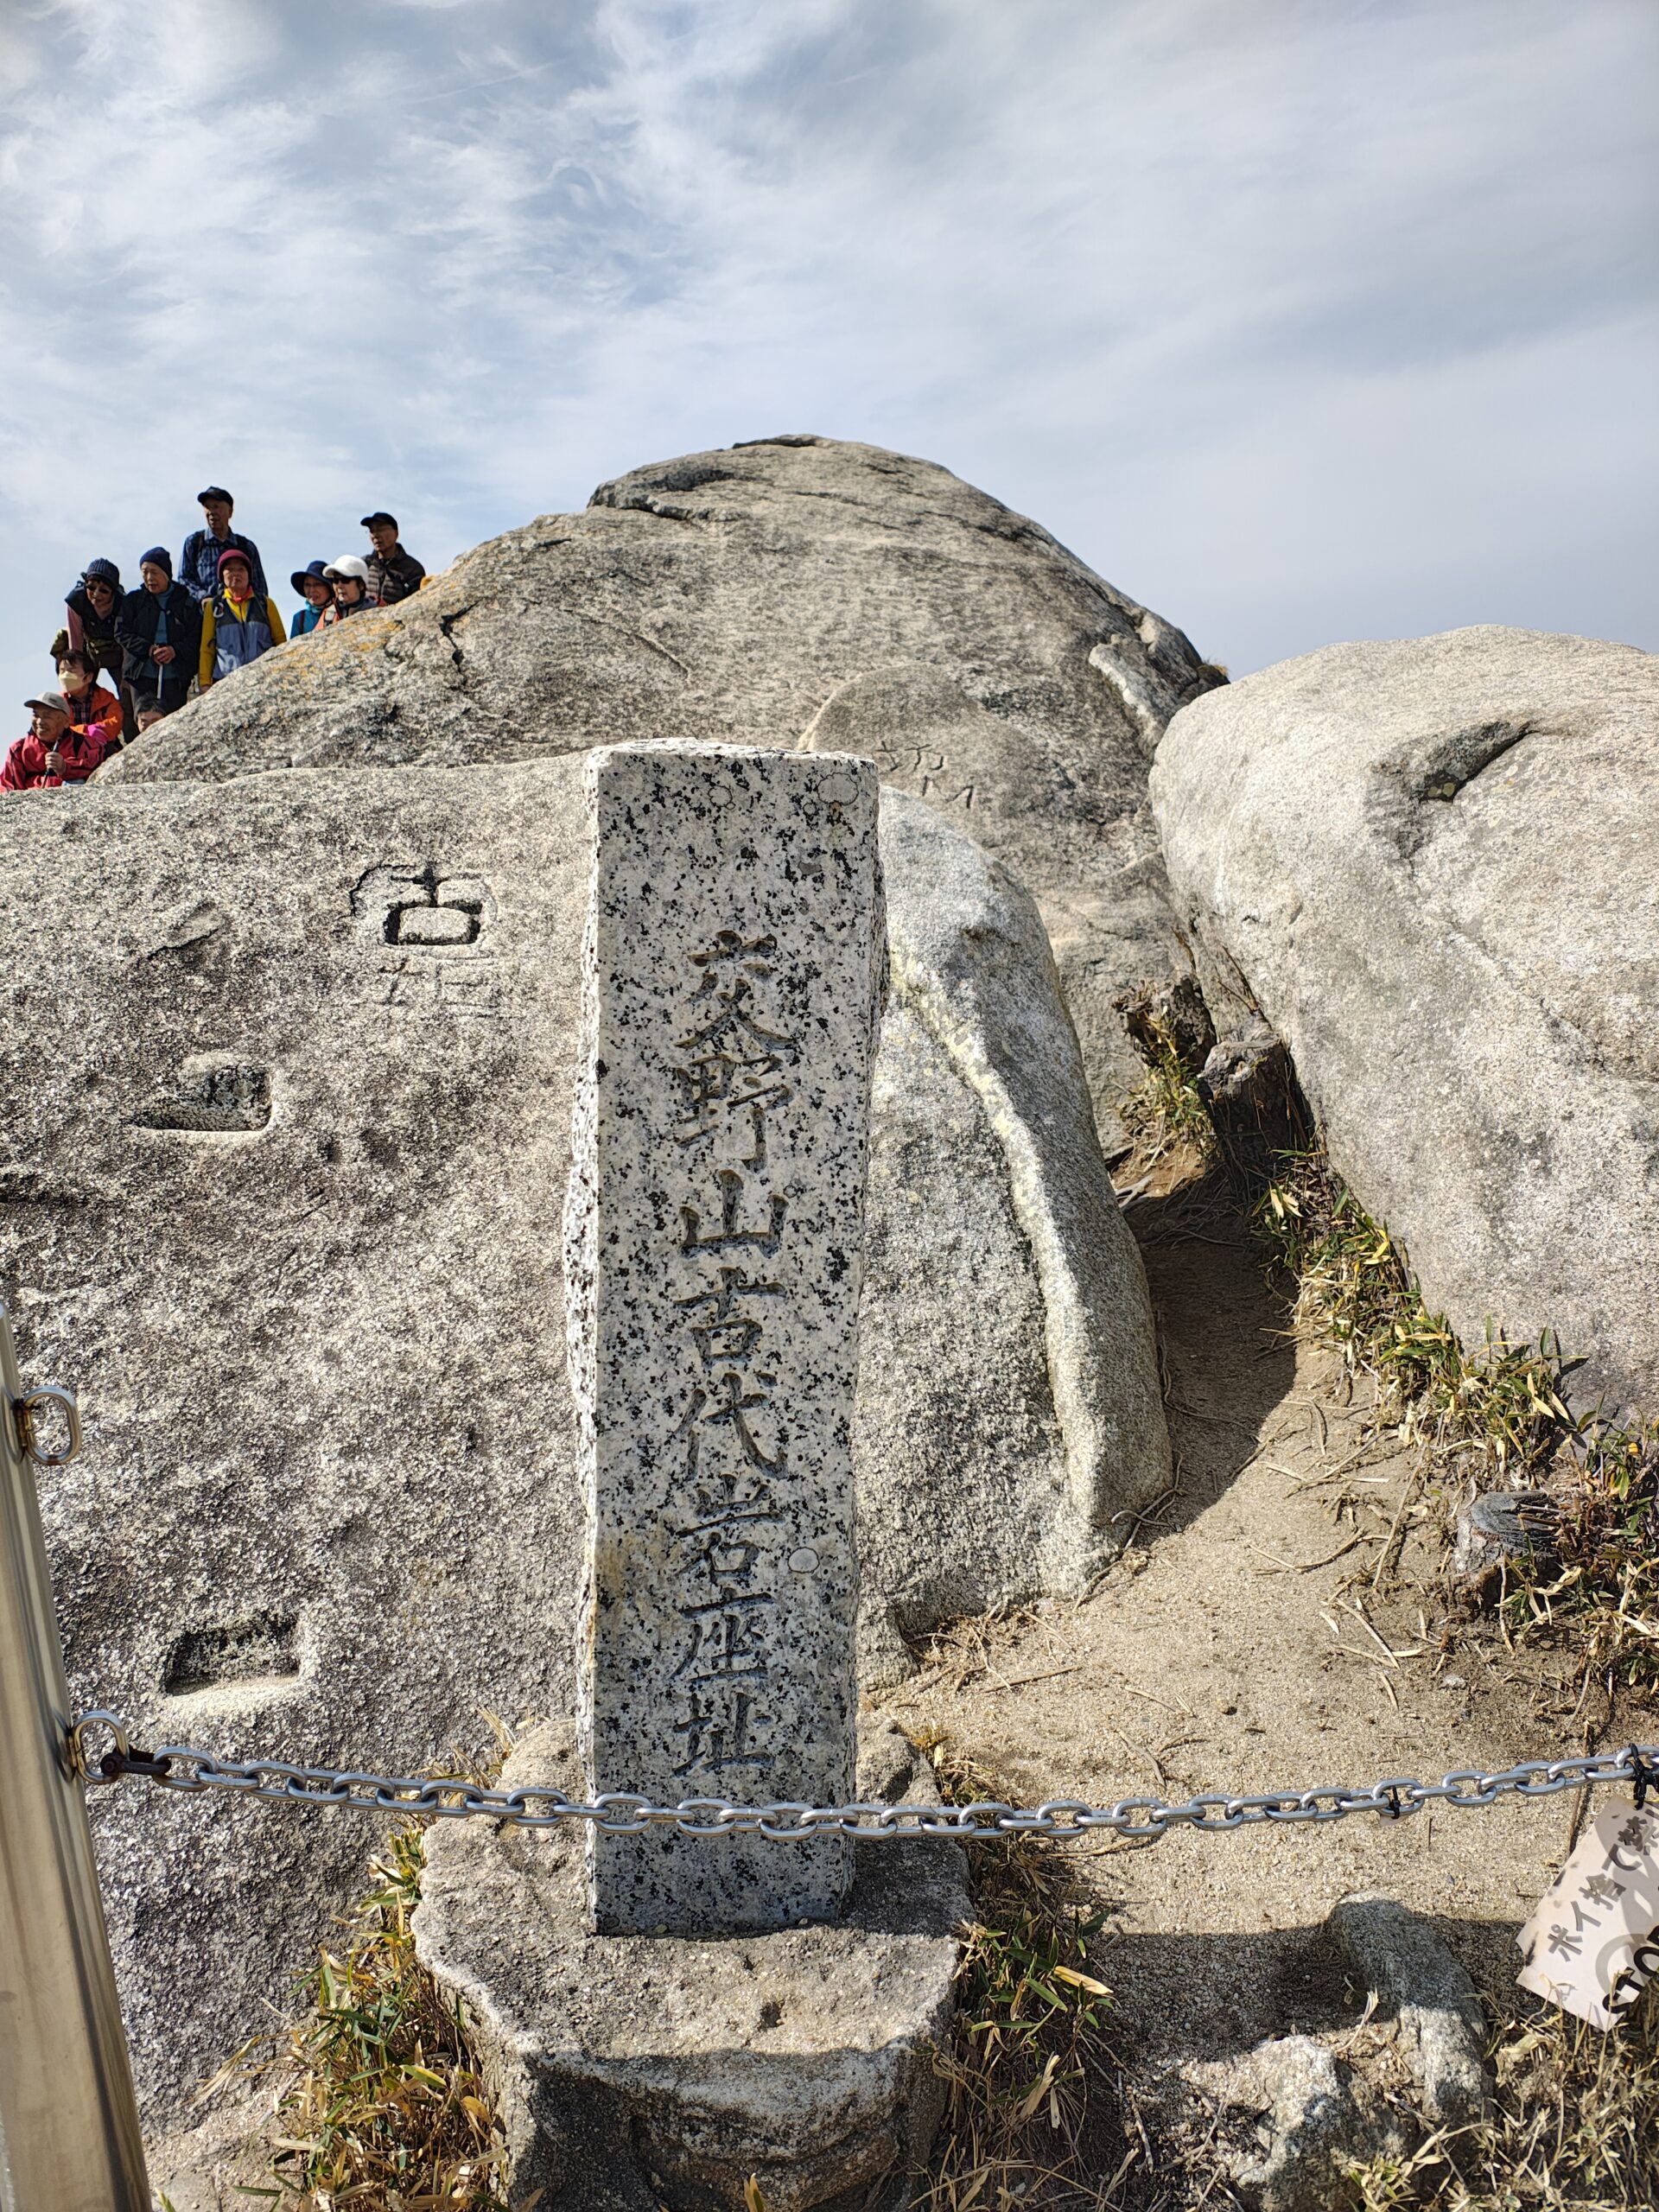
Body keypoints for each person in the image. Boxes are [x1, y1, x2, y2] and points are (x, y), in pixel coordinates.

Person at [117, 547, 202, 718]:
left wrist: (174, 650)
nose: (149, 578)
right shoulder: (134, 601)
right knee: (142, 722)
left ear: (167, 573)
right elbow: (121, 632)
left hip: (174, 676)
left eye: (154, 572)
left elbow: (195, 637)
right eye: (145, 572)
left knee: (173, 721)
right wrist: (149, 649)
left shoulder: (187, 602)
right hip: (140, 674)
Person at [198, 549, 286, 689]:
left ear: (249, 574)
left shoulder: (265, 604)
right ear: (222, 575)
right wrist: (204, 683)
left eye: (241, 569)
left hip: (263, 681)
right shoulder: (214, 607)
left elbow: (281, 643)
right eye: (229, 569)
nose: (235, 574)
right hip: (224, 683)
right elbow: (207, 649)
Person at [2, 691, 113, 791]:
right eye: (36, 715)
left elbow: (95, 764)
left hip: (69, 805)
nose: (40, 722)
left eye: (47, 716)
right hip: (31, 806)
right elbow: (8, 786)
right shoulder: (19, 749)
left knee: (76, 784)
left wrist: (65, 767)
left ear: (65, 722)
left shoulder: (82, 743)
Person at [181, 486, 267, 605]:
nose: (211, 512)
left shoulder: (246, 547)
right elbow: (184, 580)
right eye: (207, 507)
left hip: (239, 616)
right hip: (202, 616)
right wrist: (203, 597)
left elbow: (260, 588)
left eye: (216, 507)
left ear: (230, 512)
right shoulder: (194, 543)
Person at [61, 558, 125, 691]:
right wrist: (77, 671)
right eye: (91, 587)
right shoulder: (76, 601)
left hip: (117, 651)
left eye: (104, 591)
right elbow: (75, 640)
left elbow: (127, 642)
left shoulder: (124, 605)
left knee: (127, 690)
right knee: (78, 685)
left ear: (113, 592)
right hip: (88, 648)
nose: (96, 594)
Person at [54, 649, 124, 753]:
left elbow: (116, 722)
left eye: (71, 670)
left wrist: (98, 731)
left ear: (88, 677)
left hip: (104, 747)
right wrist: (88, 731)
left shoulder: (106, 699)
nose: (65, 676)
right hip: (71, 752)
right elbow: (58, 731)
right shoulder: (57, 704)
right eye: (62, 671)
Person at [360, 512, 424, 605]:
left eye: (380, 529)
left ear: (396, 533)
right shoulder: (364, 564)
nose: (375, 535)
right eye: (371, 531)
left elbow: (417, 604)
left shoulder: (412, 568)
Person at [289, 560, 335, 636]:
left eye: (317, 584)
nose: (311, 590)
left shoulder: (339, 612)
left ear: (329, 588)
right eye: (307, 585)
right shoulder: (300, 618)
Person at [321, 555, 375, 619]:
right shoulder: (328, 615)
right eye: (335, 580)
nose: (339, 585)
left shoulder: (378, 612)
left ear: (361, 585)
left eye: (345, 580)